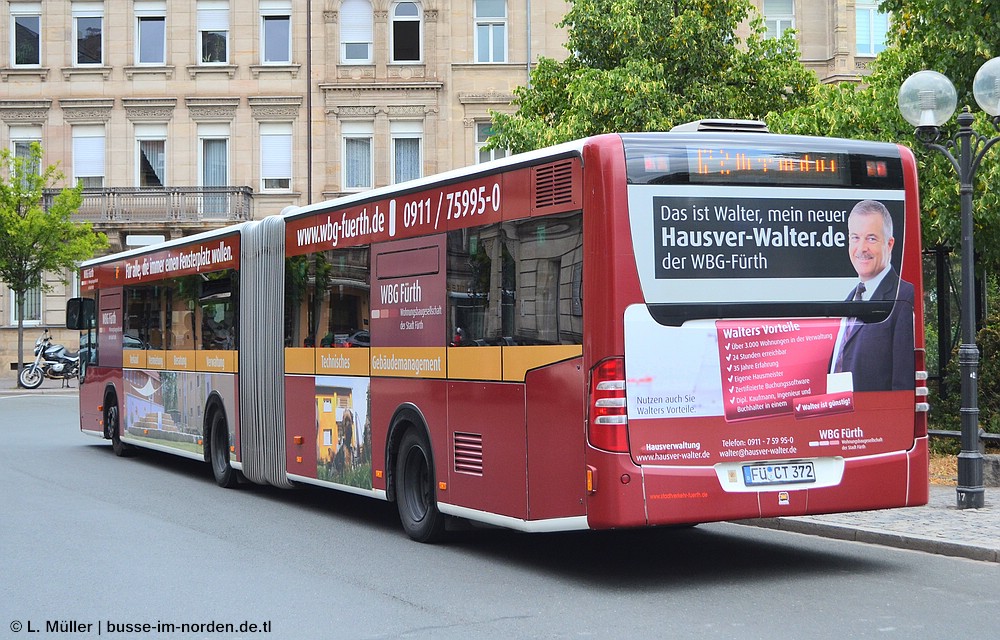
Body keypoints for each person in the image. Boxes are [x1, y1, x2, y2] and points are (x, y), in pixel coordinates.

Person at [829, 199, 915, 392]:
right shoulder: (848, 301)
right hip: (839, 418)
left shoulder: (903, 298)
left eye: (871, 238)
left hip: (875, 419)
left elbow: (902, 384)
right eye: (855, 237)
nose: (861, 248)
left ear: (890, 244)